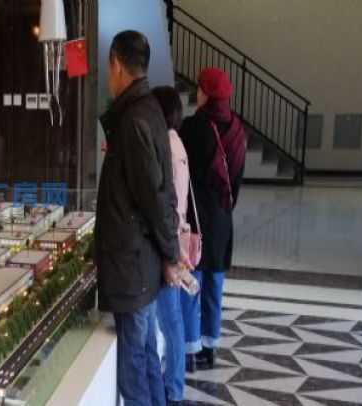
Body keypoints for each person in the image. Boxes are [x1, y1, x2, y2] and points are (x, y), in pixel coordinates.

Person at [96, 30, 189, 406]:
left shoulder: (134, 120)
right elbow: (161, 195)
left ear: (116, 66)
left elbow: (154, 198)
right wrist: (168, 252)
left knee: (134, 373)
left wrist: (171, 254)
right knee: (148, 356)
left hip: (133, 266)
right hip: (142, 265)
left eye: (108, 67)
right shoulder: (149, 110)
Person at [179, 67, 246, 371]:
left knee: (192, 284)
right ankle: (211, 347)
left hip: (195, 220)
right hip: (221, 220)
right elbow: (237, 179)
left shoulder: (191, 128)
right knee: (215, 285)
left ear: (206, 93)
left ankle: (190, 350)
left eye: (199, 88)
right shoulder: (237, 130)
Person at [152, 86, 191, 405]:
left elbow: (168, 204)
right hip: (174, 238)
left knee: (170, 319)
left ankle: (173, 387)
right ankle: (173, 383)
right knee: (171, 318)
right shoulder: (176, 142)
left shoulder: (166, 146)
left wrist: (169, 253)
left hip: (169, 242)